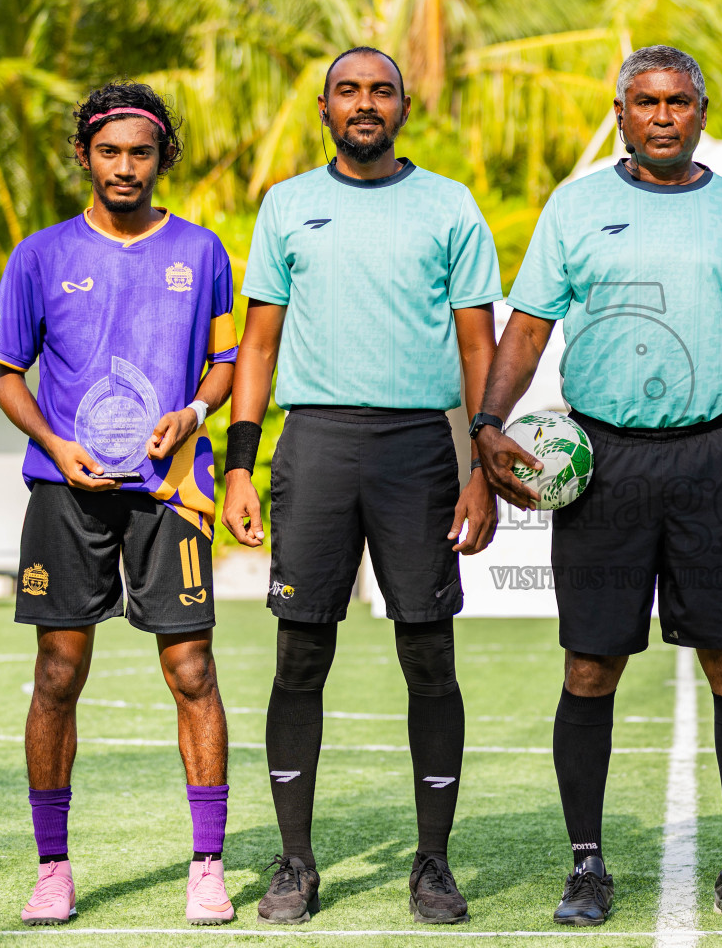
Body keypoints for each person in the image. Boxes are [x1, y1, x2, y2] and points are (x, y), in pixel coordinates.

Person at [473, 45, 722, 927]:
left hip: (717, 459)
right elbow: (528, 328)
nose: (664, 116)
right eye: (647, 102)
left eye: (679, 101)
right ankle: (586, 865)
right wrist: (487, 424)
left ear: (702, 113)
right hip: (604, 464)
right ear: (620, 113)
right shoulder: (576, 206)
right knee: (591, 665)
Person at [222, 46, 501, 926]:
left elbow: (478, 347)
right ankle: (295, 863)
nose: (365, 103)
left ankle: (433, 864)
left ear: (404, 108)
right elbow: (258, 344)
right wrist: (239, 463)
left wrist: (481, 468)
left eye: (382, 90)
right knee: (300, 653)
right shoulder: (287, 204)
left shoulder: (449, 205)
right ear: (325, 107)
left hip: (419, 448)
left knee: (429, 654)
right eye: (349, 90)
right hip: (316, 444)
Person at [0, 83, 238, 926]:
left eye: (141, 152)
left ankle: (207, 867)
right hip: (66, 491)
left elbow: (226, 364)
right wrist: (57, 445)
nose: (125, 166)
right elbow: (6, 376)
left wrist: (193, 413)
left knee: (192, 672)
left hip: (173, 491)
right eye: (109, 151)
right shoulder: (39, 255)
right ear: (85, 156)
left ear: (164, 158)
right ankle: (52, 869)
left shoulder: (202, 252)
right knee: (58, 674)